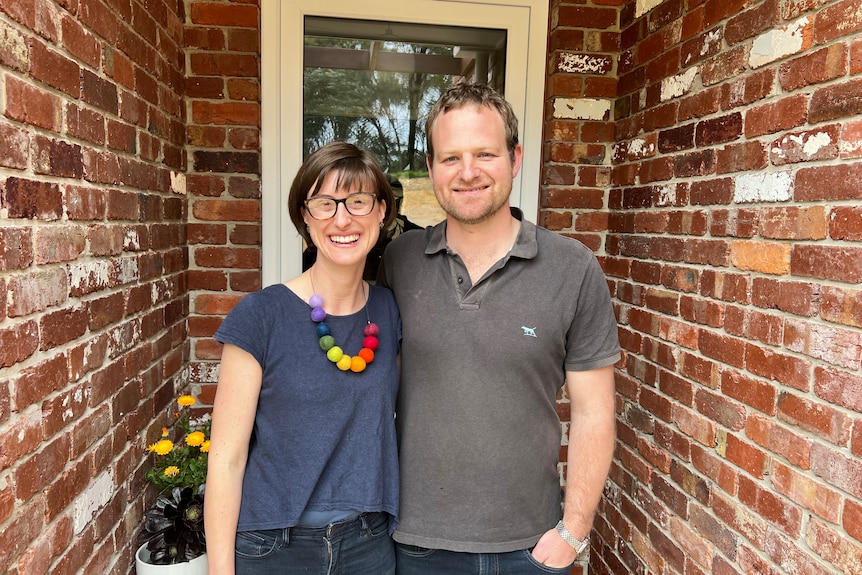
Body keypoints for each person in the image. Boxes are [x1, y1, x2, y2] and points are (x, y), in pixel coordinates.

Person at [377, 82, 620, 574]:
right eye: (450, 158)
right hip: (417, 542)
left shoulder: (572, 268)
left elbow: (594, 410)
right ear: (430, 169)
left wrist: (573, 530)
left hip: (529, 546)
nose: (468, 173)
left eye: (484, 153)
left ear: (515, 158)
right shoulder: (399, 262)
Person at [206, 141, 401, 574]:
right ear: (304, 218)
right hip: (274, 546)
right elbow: (227, 458)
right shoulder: (260, 316)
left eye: (358, 200)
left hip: (368, 545)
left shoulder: (389, 311)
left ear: (382, 211)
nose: (343, 218)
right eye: (324, 204)